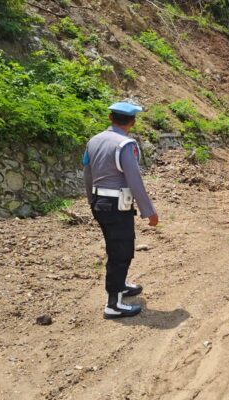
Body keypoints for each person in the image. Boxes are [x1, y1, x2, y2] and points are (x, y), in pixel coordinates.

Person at [82, 101, 159, 320]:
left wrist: (91, 200)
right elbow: (134, 180)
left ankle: (121, 285)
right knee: (121, 251)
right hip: (118, 206)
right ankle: (113, 304)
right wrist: (149, 211)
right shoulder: (125, 145)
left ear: (110, 118)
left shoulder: (93, 141)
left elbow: (87, 173)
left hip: (100, 203)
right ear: (132, 122)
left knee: (114, 247)